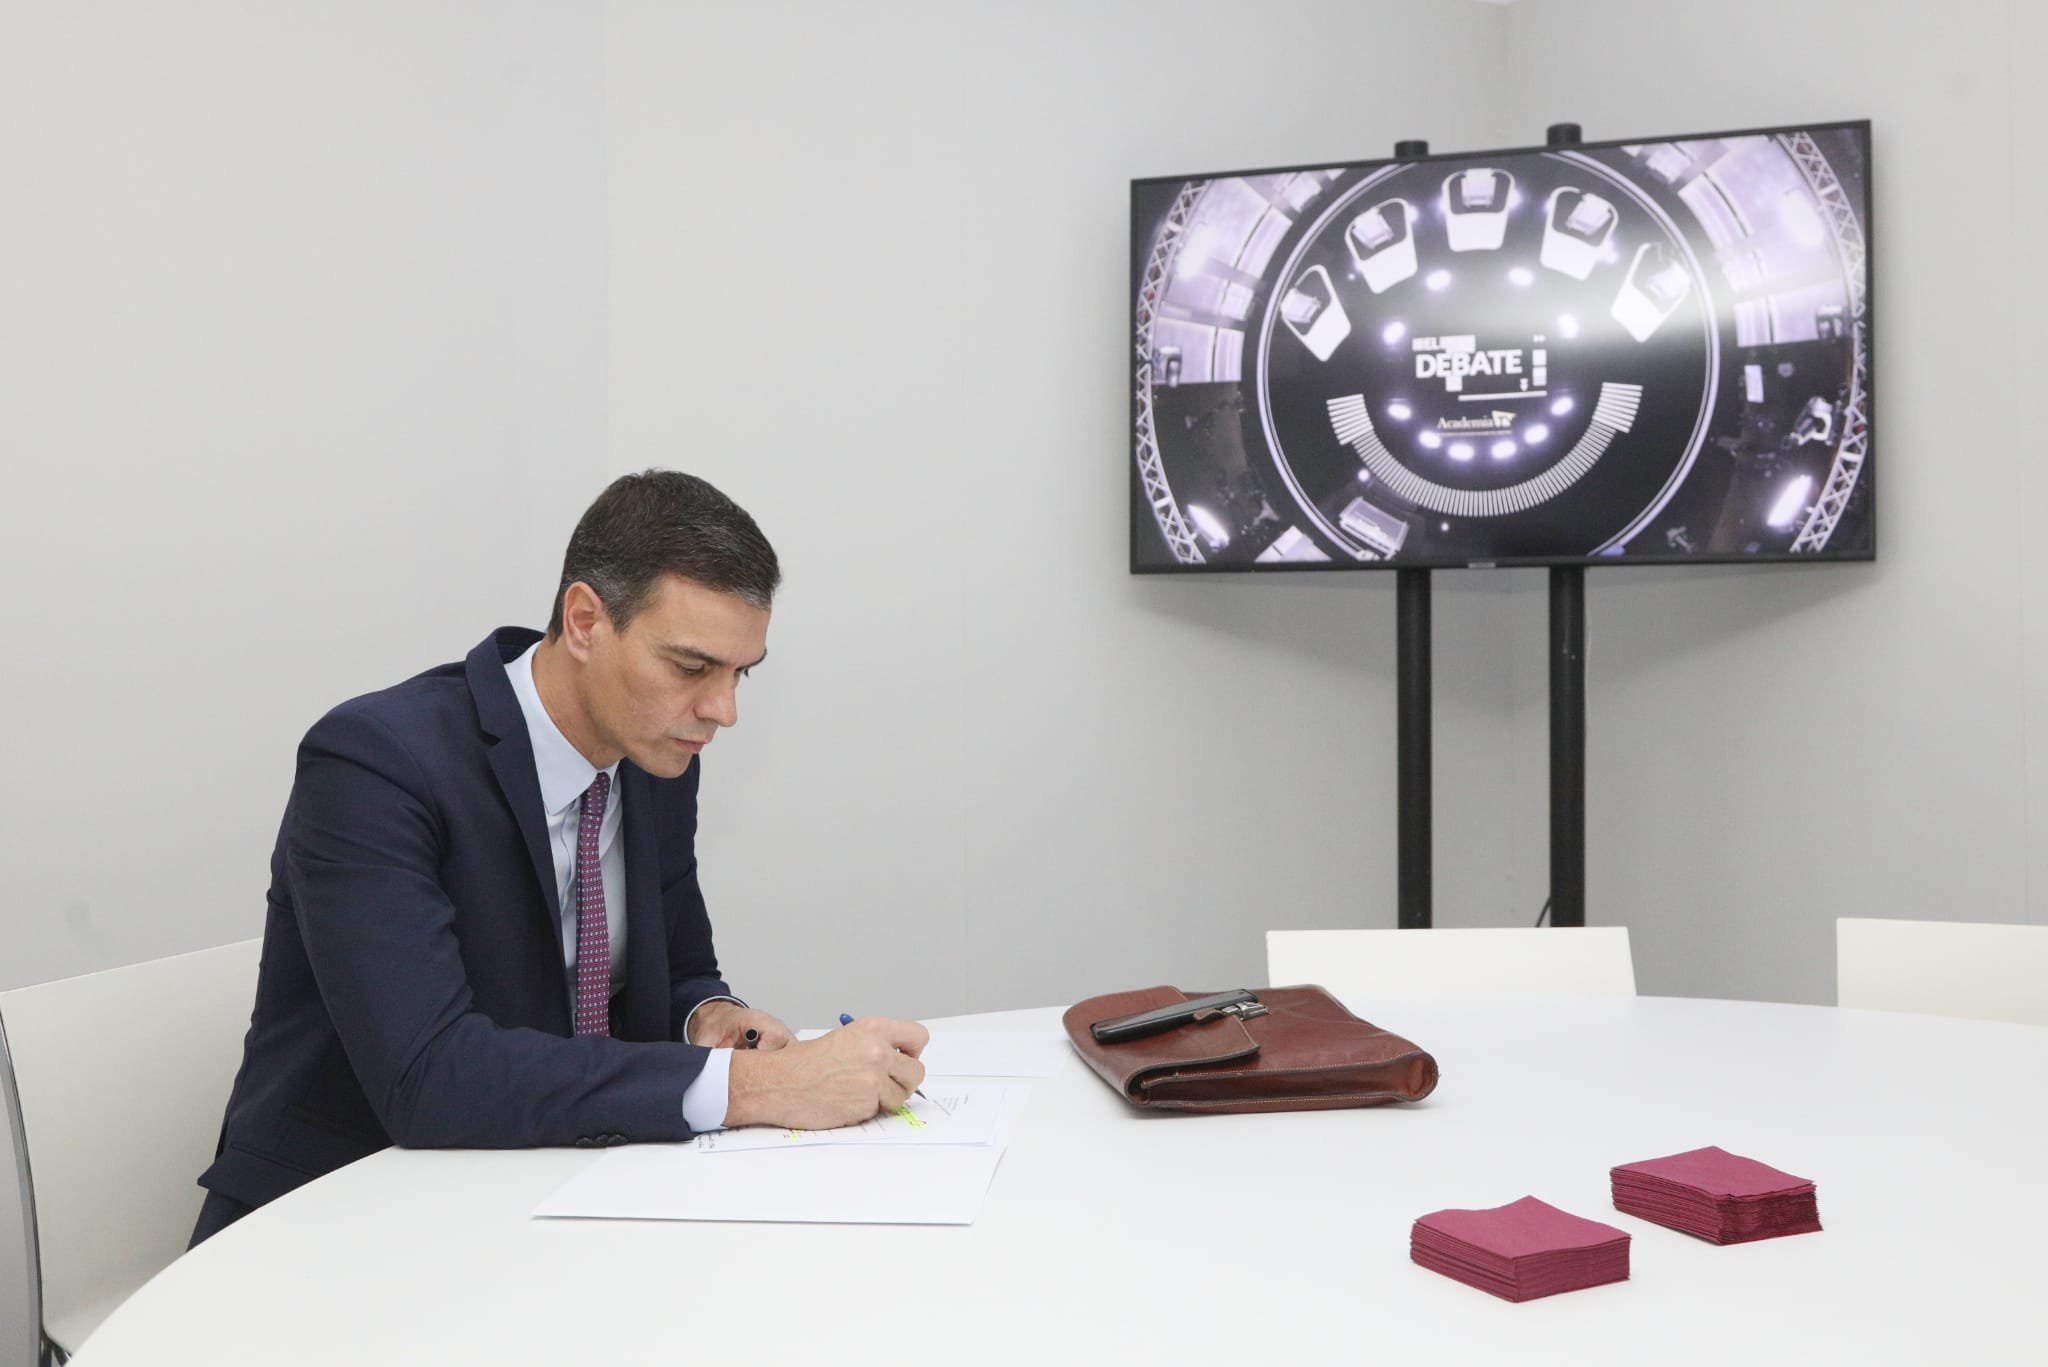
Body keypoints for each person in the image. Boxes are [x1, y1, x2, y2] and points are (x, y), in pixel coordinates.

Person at [191, 470, 926, 1245]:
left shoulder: (659, 758)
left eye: (740, 672)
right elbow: (430, 1076)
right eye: (691, 667)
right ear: (584, 621)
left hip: (547, 1199)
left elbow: (678, 970)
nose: (724, 711)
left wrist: (713, 1019)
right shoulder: (377, 763)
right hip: (328, 1229)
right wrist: (752, 1086)